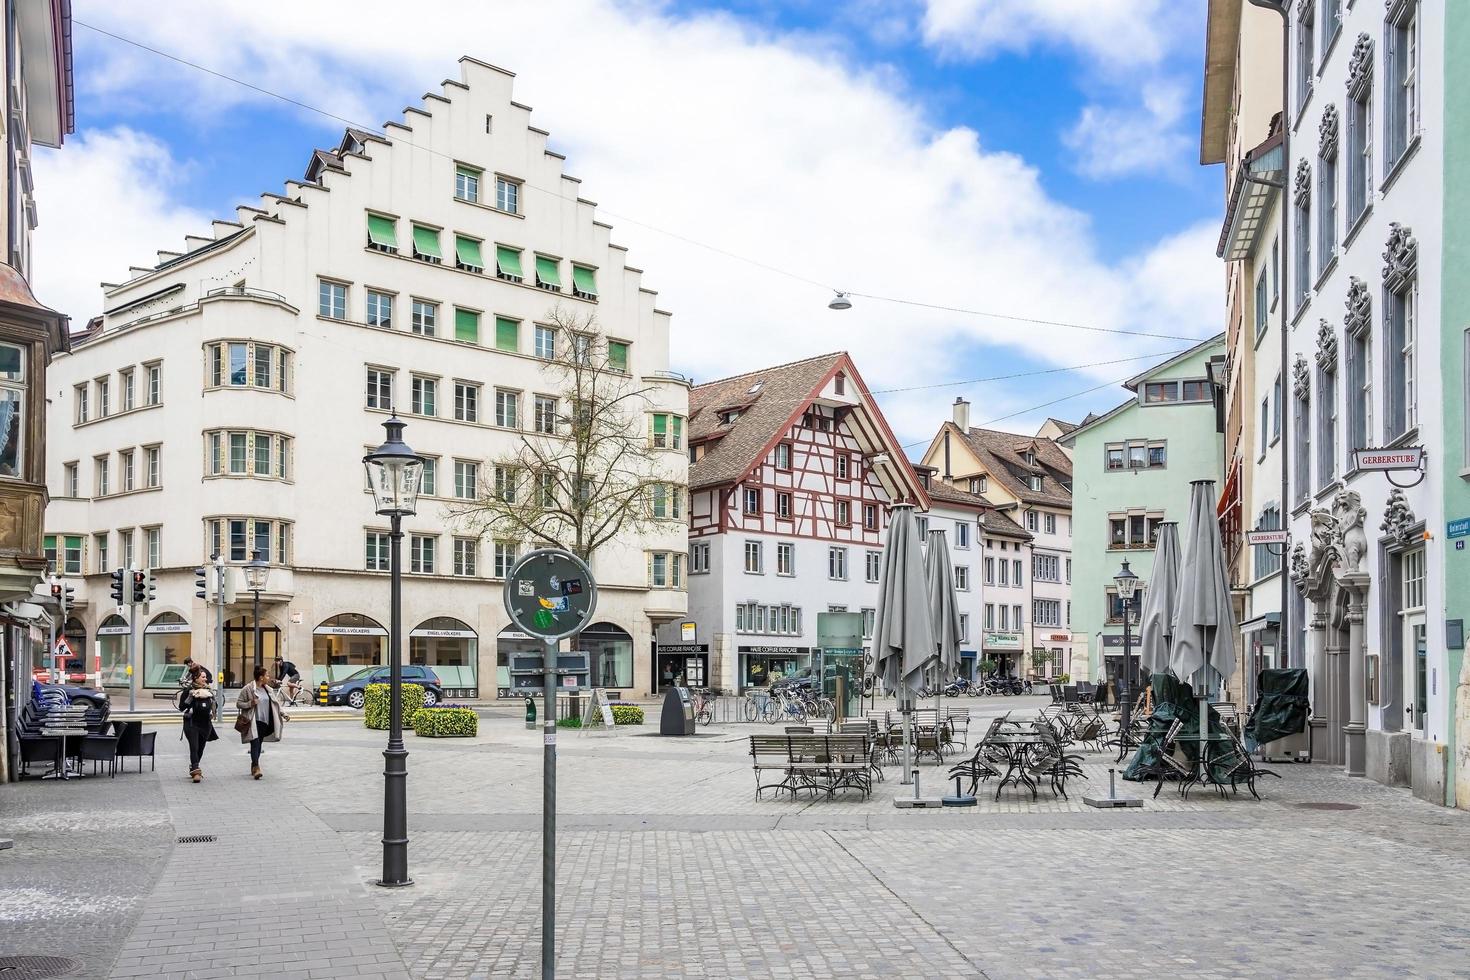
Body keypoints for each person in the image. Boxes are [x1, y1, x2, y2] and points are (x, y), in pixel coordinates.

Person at [236, 665, 285, 779]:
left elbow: (275, 703)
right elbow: (239, 703)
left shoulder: (268, 689)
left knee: (259, 744)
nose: (269, 677)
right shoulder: (248, 688)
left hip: (265, 721)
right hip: (253, 721)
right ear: (261, 677)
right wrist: (250, 703)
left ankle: (254, 765)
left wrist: (283, 713)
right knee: (255, 743)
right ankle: (257, 767)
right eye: (267, 675)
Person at [180, 670, 218, 782]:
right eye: (203, 677)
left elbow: (216, 706)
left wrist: (213, 710)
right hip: (191, 723)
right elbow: (181, 707)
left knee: (200, 749)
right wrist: (191, 697)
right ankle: (196, 771)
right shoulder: (188, 691)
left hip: (205, 724)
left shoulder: (208, 690)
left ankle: (194, 766)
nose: (205, 679)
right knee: (194, 747)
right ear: (196, 678)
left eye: (205, 677)